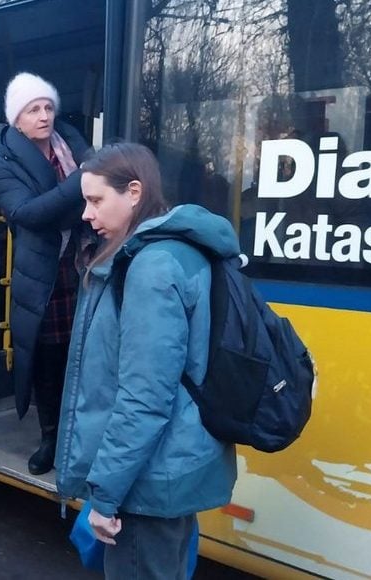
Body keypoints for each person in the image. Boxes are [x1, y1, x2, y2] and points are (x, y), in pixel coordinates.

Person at [55, 143, 238, 579]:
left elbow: (144, 397)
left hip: (147, 481)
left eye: (96, 200)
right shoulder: (179, 250)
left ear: (134, 192)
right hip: (168, 468)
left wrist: (106, 496)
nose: (86, 213)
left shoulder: (150, 268)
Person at [0, 72, 91, 475]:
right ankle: (50, 437)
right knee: (47, 360)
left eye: (48, 107)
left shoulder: (73, 143)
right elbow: (26, 213)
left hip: (84, 263)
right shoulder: (2, 162)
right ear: (17, 119)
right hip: (43, 274)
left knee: (82, 355)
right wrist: (84, 184)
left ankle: (78, 437)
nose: (44, 115)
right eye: (34, 109)